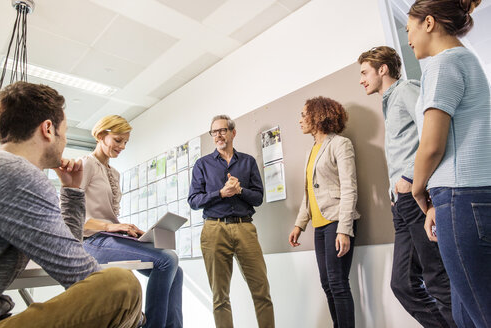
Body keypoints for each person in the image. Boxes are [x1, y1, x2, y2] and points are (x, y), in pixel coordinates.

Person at [0, 82, 142, 328]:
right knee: (121, 286)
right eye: (64, 132)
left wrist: (72, 191)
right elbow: (78, 273)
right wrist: (138, 319)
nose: (64, 141)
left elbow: (68, 251)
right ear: (47, 129)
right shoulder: (18, 174)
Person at [407, 0, 491, 327]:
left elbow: (431, 146)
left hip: (459, 199)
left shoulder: (443, 64)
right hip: (472, 198)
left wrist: (418, 192)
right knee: (466, 316)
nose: (409, 38)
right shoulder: (469, 59)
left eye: (409, 29)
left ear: (428, 23)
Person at [358, 46, 455, 327]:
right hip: (401, 204)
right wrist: (393, 191)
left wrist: (411, 179)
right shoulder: (389, 102)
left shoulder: (407, 90)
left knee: (436, 279)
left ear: (382, 69)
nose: (362, 79)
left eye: (365, 72)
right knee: (402, 284)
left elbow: (433, 134)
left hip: (416, 198)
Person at [81, 115, 183, 328]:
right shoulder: (85, 165)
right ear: (101, 136)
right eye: (118, 140)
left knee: (176, 270)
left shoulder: (115, 174)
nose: (123, 146)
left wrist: (125, 228)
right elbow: (70, 219)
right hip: (90, 240)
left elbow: (108, 215)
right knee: (167, 260)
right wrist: (111, 226)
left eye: (125, 142)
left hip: (110, 237)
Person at [188, 115, 274, 328]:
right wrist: (221, 193)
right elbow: (194, 200)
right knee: (220, 296)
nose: (218, 135)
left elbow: (258, 198)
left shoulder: (248, 162)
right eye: (214, 132)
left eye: (222, 130)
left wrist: (240, 190)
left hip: (245, 227)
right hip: (214, 229)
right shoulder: (202, 164)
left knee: (261, 291)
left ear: (233, 133)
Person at [289, 96, 360, 328]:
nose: (300, 120)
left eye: (303, 115)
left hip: (337, 222)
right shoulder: (312, 151)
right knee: (327, 284)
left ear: (317, 116)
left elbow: (350, 187)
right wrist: (299, 225)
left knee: (338, 283)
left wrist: (344, 229)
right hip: (319, 226)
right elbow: (309, 193)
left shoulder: (340, 143)